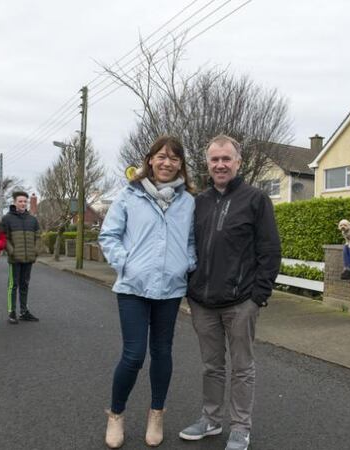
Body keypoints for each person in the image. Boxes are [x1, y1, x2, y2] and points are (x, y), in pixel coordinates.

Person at [179, 135, 281, 450]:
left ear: (238, 162)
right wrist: (189, 288)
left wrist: (257, 297)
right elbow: (187, 246)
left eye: (226, 159)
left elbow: (270, 251)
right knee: (211, 366)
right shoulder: (198, 202)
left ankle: (240, 428)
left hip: (241, 303)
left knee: (242, 367)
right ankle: (210, 420)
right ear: (207, 164)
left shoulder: (256, 199)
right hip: (202, 303)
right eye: (215, 159)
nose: (220, 164)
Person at [98, 136, 196, 449]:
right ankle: (116, 414)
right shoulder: (129, 195)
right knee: (133, 354)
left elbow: (193, 240)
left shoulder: (189, 201)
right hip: (133, 287)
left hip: (170, 288)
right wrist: (125, 264)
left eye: (174, 158)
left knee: (163, 352)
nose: (167, 163)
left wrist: (187, 263)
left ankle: (157, 413)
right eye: (161, 157)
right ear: (150, 160)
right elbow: (109, 236)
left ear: (181, 164)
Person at [1, 191, 41, 324]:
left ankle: (24, 312)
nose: (23, 203)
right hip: (15, 259)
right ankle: (11, 312)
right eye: (20, 201)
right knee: (13, 285)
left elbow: (38, 237)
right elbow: (4, 238)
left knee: (25, 285)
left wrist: (35, 251)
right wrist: (12, 251)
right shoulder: (7, 219)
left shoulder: (32, 219)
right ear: (14, 202)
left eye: (25, 201)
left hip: (29, 258)